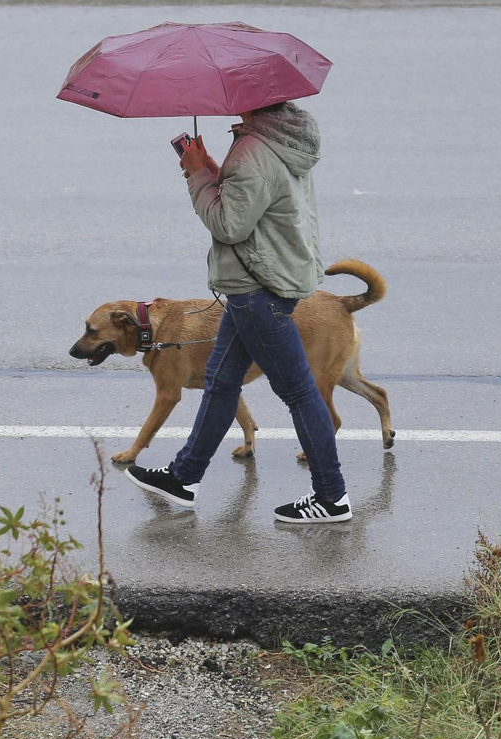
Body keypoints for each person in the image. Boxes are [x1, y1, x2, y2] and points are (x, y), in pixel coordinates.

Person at [126, 101, 352, 524]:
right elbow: (256, 202)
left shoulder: (252, 152)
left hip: (256, 289)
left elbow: (229, 226)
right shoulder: (283, 141)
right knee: (221, 382)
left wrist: (196, 175)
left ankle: (332, 496)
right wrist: (213, 168)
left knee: (298, 392)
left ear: (250, 101)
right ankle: (183, 476)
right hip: (268, 278)